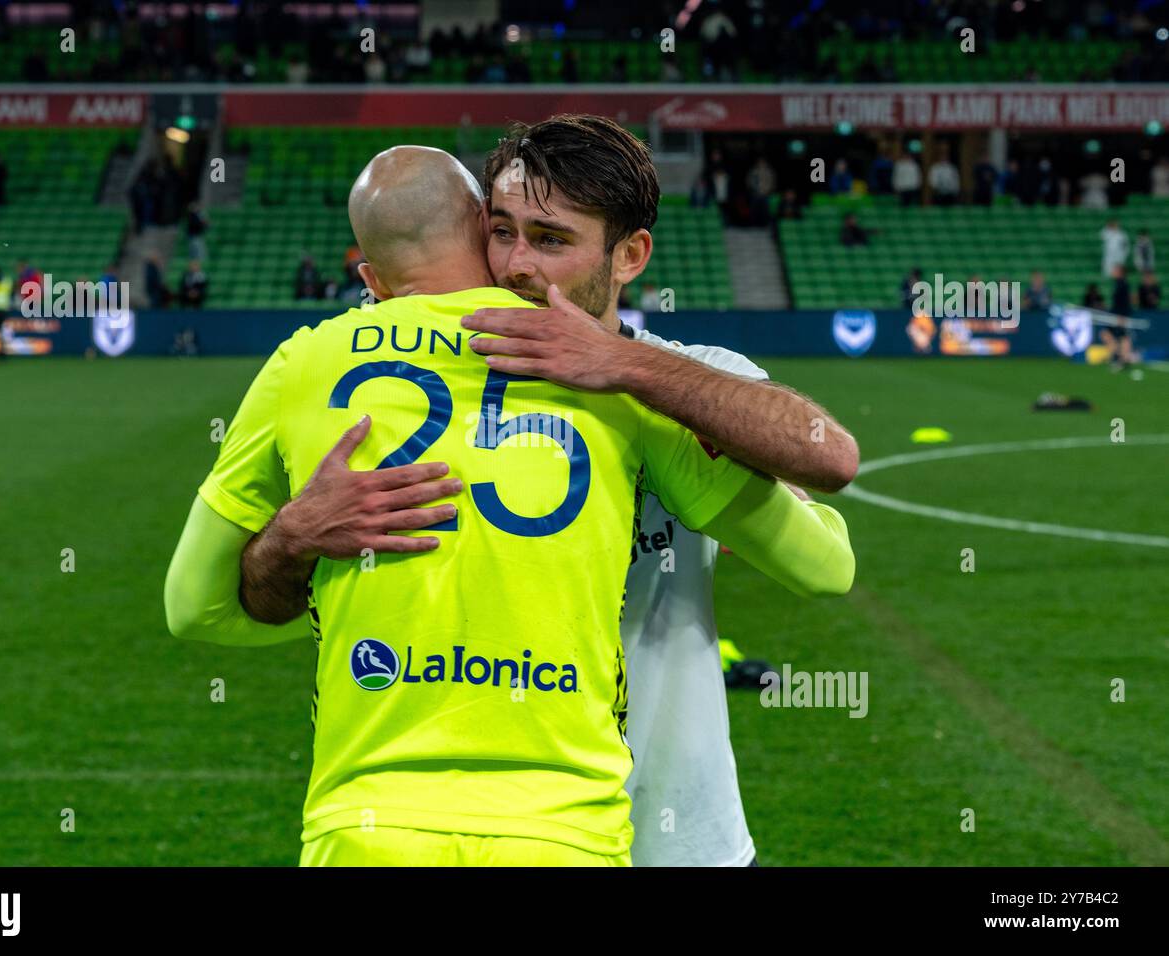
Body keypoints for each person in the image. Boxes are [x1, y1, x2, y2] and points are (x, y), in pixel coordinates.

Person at [165, 141, 855, 868]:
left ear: (630, 256)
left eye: (551, 240)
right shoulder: (630, 407)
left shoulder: (687, 383)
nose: (518, 265)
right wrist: (297, 537)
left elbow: (829, 482)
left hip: (677, 830)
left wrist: (621, 363)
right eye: (501, 231)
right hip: (572, 824)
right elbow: (821, 546)